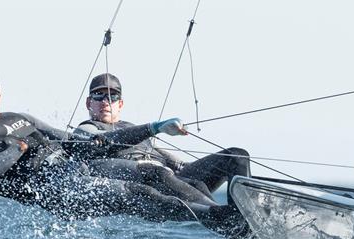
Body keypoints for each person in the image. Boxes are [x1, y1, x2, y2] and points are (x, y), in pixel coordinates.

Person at [0, 67, 261, 239]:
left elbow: (72, 142)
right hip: (59, 194)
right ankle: (227, 221)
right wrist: (17, 149)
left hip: (77, 176)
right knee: (146, 191)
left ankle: (239, 218)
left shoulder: (21, 118)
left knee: (178, 182)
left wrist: (98, 142)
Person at [75, 73, 251, 203]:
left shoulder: (132, 128)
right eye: (99, 95)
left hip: (173, 181)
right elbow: (100, 143)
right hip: (148, 187)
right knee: (162, 175)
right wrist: (155, 128)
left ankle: (248, 216)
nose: (105, 101)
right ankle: (222, 218)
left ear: (120, 104)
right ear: (89, 103)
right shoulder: (86, 129)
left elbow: (177, 164)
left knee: (236, 157)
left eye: (112, 96)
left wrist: (211, 169)